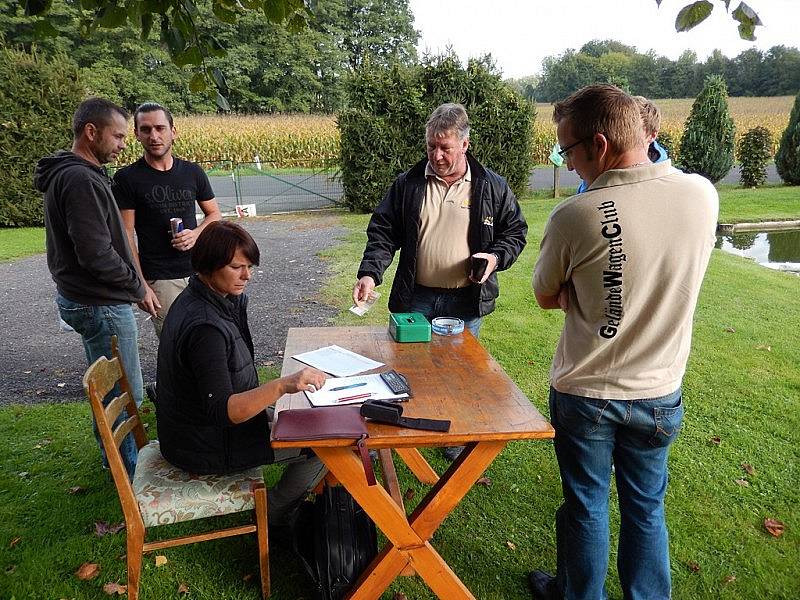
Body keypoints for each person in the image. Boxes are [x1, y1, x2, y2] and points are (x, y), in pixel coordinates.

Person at [529, 84, 718, 600]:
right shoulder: (701, 194)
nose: (567, 164)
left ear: (600, 144)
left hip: (587, 390)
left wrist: (584, 289)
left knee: (587, 506)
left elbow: (545, 295)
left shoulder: (577, 214)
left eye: (567, 151)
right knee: (646, 507)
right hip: (660, 391)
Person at [352, 103, 528, 460]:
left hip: (465, 300)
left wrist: (494, 258)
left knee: (459, 375)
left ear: (464, 144)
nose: (436, 155)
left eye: (444, 147)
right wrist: (370, 273)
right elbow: (383, 232)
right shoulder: (408, 184)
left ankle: (452, 437)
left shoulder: (491, 186)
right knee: (407, 369)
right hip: (416, 296)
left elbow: (515, 233)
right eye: (431, 146)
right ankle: (404, 434)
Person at [156, 220, 328, 527]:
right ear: (208, 265)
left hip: (194, 432)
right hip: (205, 445)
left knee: (309, 421)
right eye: (237, 267)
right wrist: (283, 385)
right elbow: (226, 411)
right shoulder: (205, 328)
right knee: (326, 447)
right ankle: (271, 515)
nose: (246, 276)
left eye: (249, 267)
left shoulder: (204, 298)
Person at [35, 97, 146, 479]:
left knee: (108, 388)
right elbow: (95, 253)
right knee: (123, 395)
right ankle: (129, 473)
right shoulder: (80, 179)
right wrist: (136, 286)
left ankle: (112, 462)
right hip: (101, 303)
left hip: (88, 300)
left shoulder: (75, 174)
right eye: (118, 136)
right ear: (91, 132)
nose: (123, 144)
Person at [113, 102, 222, 338]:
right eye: (146, 129)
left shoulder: (192, 172)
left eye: (160, 128)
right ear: (136, 134)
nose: (154, 136)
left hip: (202, 272)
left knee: (211, 337)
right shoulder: (127, 178)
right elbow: (126, 234)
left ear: (173, 131)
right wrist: (141, 284)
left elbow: (214, 215)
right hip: (161, 279)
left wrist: (195, 234)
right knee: (176, 343)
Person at [575, 95, 668, 194]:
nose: (628, 134)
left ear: (652, 135)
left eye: (636, 130)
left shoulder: (665, 177)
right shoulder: (606, 163)